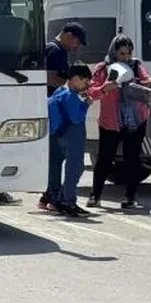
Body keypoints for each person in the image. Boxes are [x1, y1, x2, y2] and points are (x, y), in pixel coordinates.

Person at [87, 34, 151, 209]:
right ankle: (95, 195)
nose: (125, 57)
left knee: (132, 159)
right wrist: (105, 88)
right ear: (114, 52)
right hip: (110, 121)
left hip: (135, 121)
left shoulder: (136, 66)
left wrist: (143, 84)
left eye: (128, 53)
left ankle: (130, 197)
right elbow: (90, 91)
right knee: (104, 159)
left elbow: (147, 83)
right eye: (122, 53)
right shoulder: (103, 68)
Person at [38, 22, 88, 209]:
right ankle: (55, 196)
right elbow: (50, 77)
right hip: (57, 112)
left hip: (55, 110)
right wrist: (72, 88)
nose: (76, 47)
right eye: (76, 41)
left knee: (56, 156)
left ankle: (50, 195)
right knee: (59, 157)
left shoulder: (57, 50)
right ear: (67, 35)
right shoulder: (55, 50)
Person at [45, 63, 93, 216]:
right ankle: (68, 200)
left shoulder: (59, 90)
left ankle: (54, 198)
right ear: (76, 79)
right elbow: (76, 117)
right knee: (75, 168)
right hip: (72, 136)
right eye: (85, 81)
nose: (87, 85)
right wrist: (85, 105)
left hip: (55, 135)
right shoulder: (72, 95)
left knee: (55, 168)